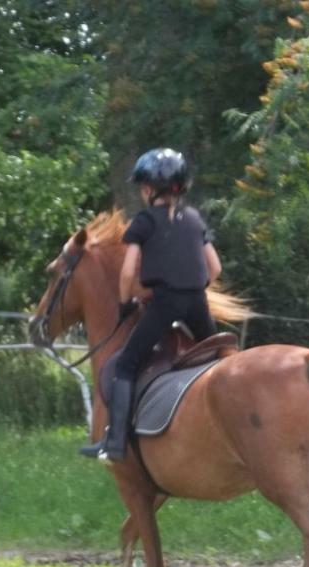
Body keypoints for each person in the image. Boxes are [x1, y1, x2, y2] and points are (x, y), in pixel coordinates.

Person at [80, 148, 223, 462]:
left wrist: (126, 303)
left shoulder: (144, 222)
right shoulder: (195, 219)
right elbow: (215, 269)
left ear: (147, 190)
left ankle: (115, 443)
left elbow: (128, 272)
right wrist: (193, 288)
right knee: (216, 361)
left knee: (127, 364)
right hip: (198, 304)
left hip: (164, 305)